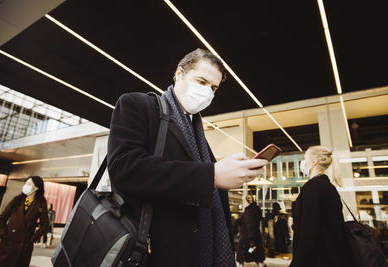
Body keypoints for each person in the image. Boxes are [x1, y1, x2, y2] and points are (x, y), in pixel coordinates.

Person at [107, 48, 268, 267]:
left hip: (198, 252)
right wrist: (211, 175)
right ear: (179, 74)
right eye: (201, 81)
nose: (207, 92)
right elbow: (124, 169)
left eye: (213, 88)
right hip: (154, 252)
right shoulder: (138, 105)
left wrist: (227, 171)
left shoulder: (198, 135)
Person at [290, 146, 352, 267]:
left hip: (318, 257)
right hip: (333, 255)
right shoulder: (329, 187)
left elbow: (308, 230)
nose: (303, 163)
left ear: (313, 162)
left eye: (305, 159)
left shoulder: (312, 187)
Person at [0, 176, 49, 267]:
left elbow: (45, 225)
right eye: (26, 183)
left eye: (29, 184)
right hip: (7, 242)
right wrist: (2, 233)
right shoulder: (16, 200)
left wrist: (33, 238)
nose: (26, 186)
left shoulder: (41, 203)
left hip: (24, 246)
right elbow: (2, 218)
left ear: (37, 187)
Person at [236, 195, 266, 267]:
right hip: (255, 236)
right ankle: (261, 264)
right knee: (256, 256)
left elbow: (250, 225)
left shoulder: (248, 212)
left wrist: (252, 241)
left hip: (247, 238)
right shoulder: (255, 210)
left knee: (243, 255)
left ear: (247, 201)